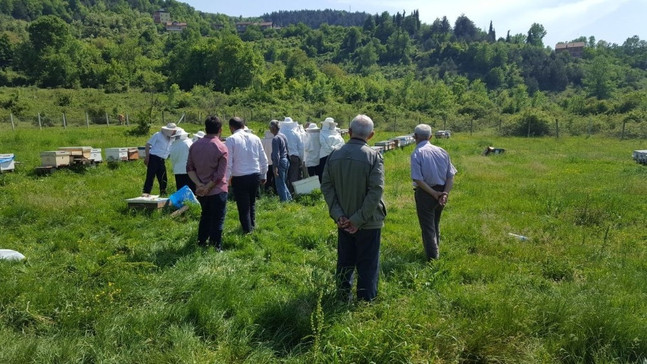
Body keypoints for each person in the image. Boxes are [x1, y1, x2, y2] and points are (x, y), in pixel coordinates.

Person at [321, 114, 386, 302]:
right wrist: (357, 220)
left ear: (349, 132)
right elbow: (376, 191)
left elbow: (326, 186)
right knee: (368, 262)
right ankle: (366, 300)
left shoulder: (334, 155)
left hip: (343, 220)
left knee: (345, 260)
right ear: (371, 135)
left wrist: (339, 215)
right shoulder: (373, 156)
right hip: (369, 221)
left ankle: (342, 296)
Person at [410, 124, 457, 261]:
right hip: (442, 191)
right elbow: (450, 176)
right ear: (430, 137)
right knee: (435, 222)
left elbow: (417, 179)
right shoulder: (442, 151)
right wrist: (445, 193)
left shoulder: (417, 153)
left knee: (427, 227)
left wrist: (432, 193)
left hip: (426, 193)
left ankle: (432, 258)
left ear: (415, 137)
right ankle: (436, 249)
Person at [187, 116, 229, 251]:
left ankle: (201, 242)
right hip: (217, 189)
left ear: (205, 129)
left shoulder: (194, 145)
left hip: (200, 190)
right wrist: (208, 187)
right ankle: (216, 246)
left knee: (205, 216)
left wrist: (199, 185)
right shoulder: (221, 147)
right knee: (217, 219)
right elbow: (220, 175)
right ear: (220, 130)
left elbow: (189, 168)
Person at [225, 117, 268, 233]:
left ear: (231, 128)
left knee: (243, 206)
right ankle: (252, 226)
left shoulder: (230, 140)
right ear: (244, 126)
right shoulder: (255, 138)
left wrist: (226, 179)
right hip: (255, 174)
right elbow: (263, 158)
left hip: (239, 176)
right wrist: (264, 175)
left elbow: (228, 163)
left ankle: (247, 230)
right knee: (251, 203)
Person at [143, 122, 177, 196]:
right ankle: (146, 192)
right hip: (153, 158)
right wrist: (147, 156)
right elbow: (147, 145)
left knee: (163, 177)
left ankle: (163, 193)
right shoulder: (158, 135)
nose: (174, 132)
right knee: (150, 176)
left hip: (162, 160)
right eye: (172, 131)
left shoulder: (173, 138)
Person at [269, 120, 292, 202]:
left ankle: (284, 202)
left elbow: (276, 154)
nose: (269, 129)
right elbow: (287, 149)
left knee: (279, 184)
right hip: (286, 160)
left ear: (273, 128)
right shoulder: (283, 136)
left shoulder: (275, 139)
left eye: (270, 127)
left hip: (280, 162)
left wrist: (275, 167)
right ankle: (289, 199)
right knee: (283, 182)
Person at [280, 117, 304, 191]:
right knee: (293, 176)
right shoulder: (296, 133)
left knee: (284, 176)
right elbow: (301, 147)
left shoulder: (280, 133)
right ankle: (293, 192)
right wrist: (301, 159)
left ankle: (286, 193)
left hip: (283, 157)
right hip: (294, 157)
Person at [168, 128, 196, 193]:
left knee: (181, 191)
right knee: (191, 191)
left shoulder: (173, 145)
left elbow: (172, 159)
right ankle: (191, 203)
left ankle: (182, 203)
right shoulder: (188, 142)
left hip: (177, 170)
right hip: (189, 171)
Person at [318, 117, 345, 183]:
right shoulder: (322, 133)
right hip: (326, 156)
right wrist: (334, 149)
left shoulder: (337, 134)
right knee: (324, 173)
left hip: (333, 155)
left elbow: (342, 143)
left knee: (334, 173)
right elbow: (323, 143)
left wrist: (333, 149)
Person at [261, 128, 276, 194]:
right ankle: (275, 191)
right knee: (275, 178)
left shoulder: (263, 141)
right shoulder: (274, 140)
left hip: (266, 162)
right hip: (273, 162)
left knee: (268, 178)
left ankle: (267, 191)